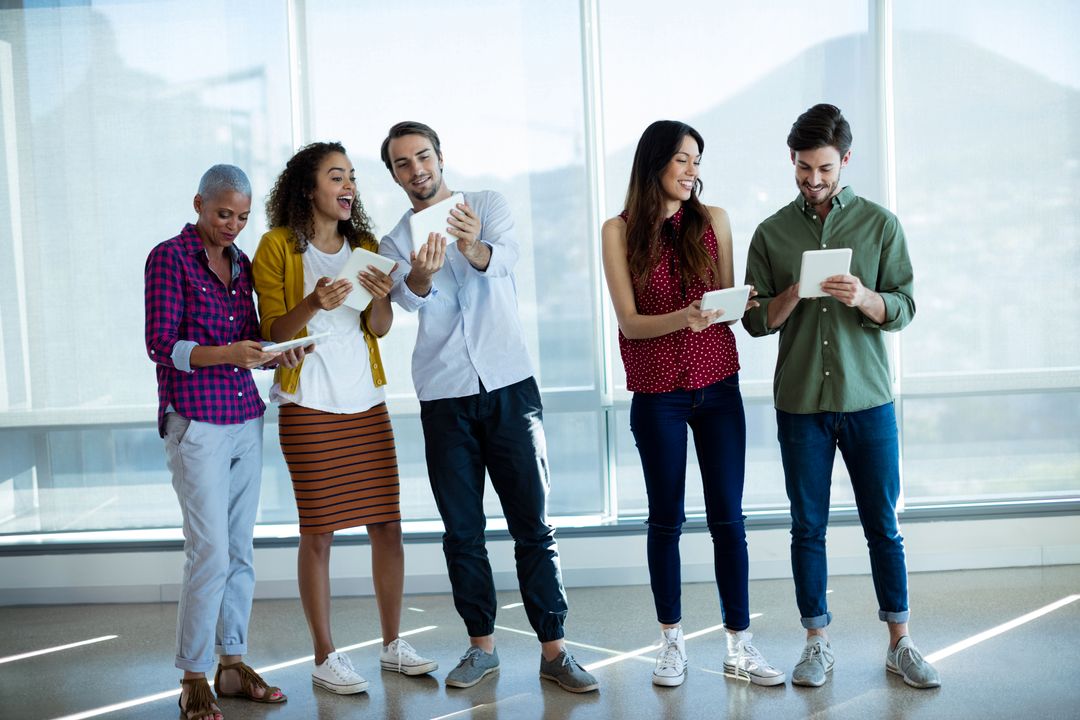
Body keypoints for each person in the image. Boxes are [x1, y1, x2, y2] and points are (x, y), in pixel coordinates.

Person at [377, 121, 599, 694]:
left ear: (440, 157)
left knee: (534, 526)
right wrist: (421, 276)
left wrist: (472, 244)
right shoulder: (394, 243)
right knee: (462, 531)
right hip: (444, 396)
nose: (416, 169)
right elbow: (403, 299)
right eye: (403, 163)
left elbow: (506, 260)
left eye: (422, 156)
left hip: (508, 385)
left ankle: (555, 650)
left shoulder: (488, 205)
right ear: (395, 175)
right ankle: (481, 649)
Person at [742, 103, 940, 689]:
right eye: (803, 168)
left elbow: (903, 307)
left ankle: (900, 644)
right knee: (808, 526)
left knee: (883, 524)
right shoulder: (771, 233)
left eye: (824, 168)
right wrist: (792, 294)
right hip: (800, 403)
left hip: (868, 402)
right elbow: (754, 323)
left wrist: (865, 298)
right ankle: (815, 642)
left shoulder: (880, 225)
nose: (813, 179)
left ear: (845, 160)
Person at [600, 120, 784, 689]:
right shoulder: (618, 231)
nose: (692, 172)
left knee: (729, 518)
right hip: (657, 394)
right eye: (683, 160)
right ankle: (672, 644)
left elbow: (727, 306)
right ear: (654, 162)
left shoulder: (715, 222)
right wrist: (686, 316)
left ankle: (739, 644)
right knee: (667, 520)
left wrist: (735, 303)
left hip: (718, 385)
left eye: (697, 161)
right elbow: (629, 324)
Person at [251, 141, 437, 695]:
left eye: (352, 176)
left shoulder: (364, 244)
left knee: (387, 524)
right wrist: (314, 302)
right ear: (309, 188)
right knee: (319, 533)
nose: (349, 185)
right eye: (337, 176)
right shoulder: (277, 246)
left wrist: (381, 297)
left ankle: (391, 645)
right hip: (308, 403)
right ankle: (324, 655)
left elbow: (377, 327)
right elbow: (271, 334)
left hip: (365, 400)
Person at [144, 165, 289, 720]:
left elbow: (248, 335)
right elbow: (162, 345)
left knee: (239, 550)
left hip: (243, 417)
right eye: (224, 213)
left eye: (243, 217)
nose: (233, 225)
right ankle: (193, 674)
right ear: (200, 203)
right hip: (196, 421)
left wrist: (277, 351)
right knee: (209, 552)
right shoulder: (169, 257)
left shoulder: (242, 263)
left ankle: (232, 663)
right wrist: (227, 353)